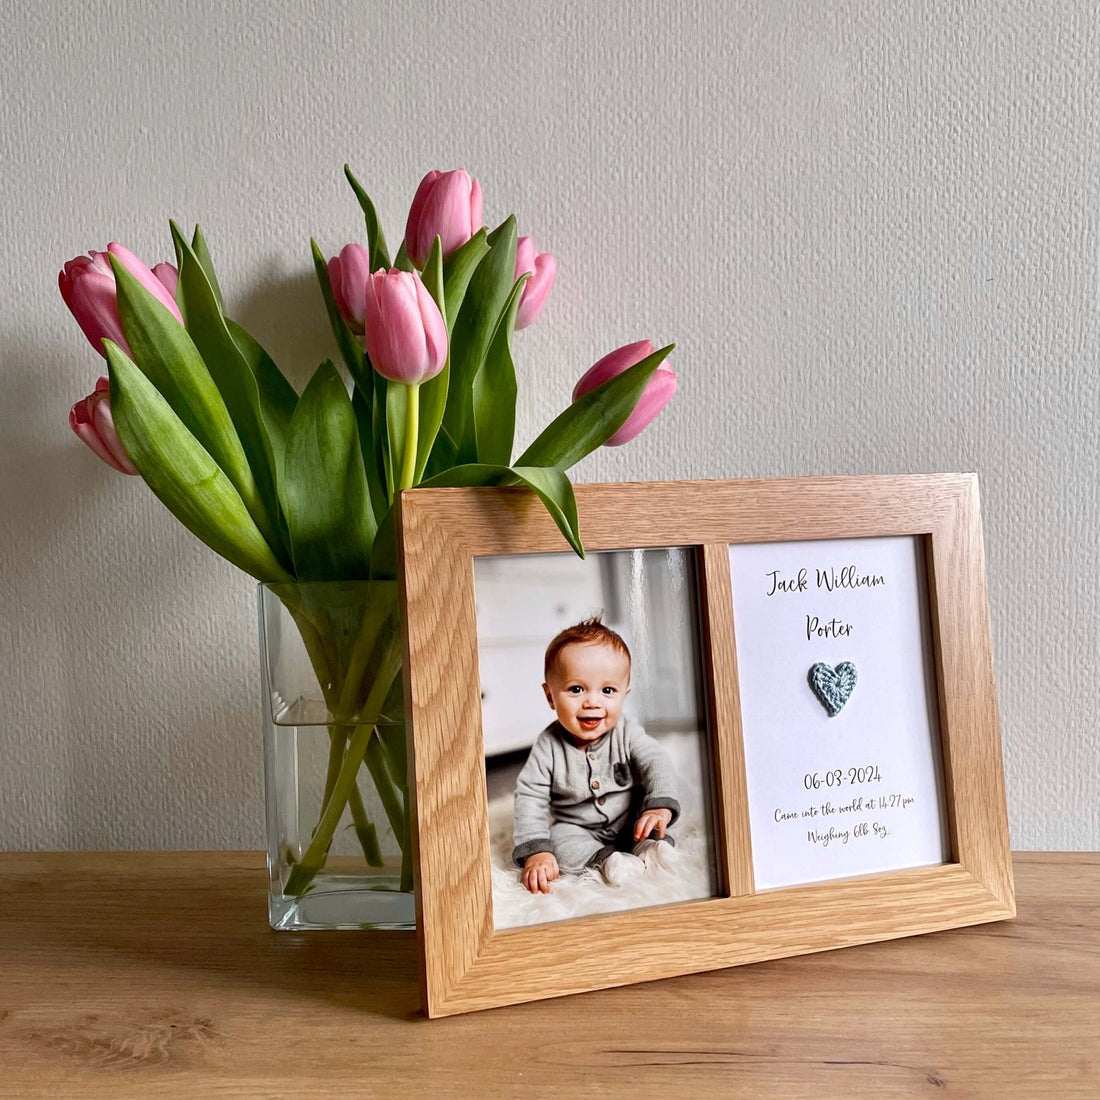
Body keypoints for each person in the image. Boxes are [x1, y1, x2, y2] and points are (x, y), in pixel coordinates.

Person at [512, 616, 681, 894]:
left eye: (607, 690)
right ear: (551, 696)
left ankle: (650, 850)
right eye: (576, 689)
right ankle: (607, 861)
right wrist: (536, 851)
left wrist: (657, 806)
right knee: (559, 839)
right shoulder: (548, 746)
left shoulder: (627, 731)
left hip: (630, 819)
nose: (592, 701)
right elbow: (530, 797)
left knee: (654, 826)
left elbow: (655, 760)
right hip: (578, 827)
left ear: (624, 694)